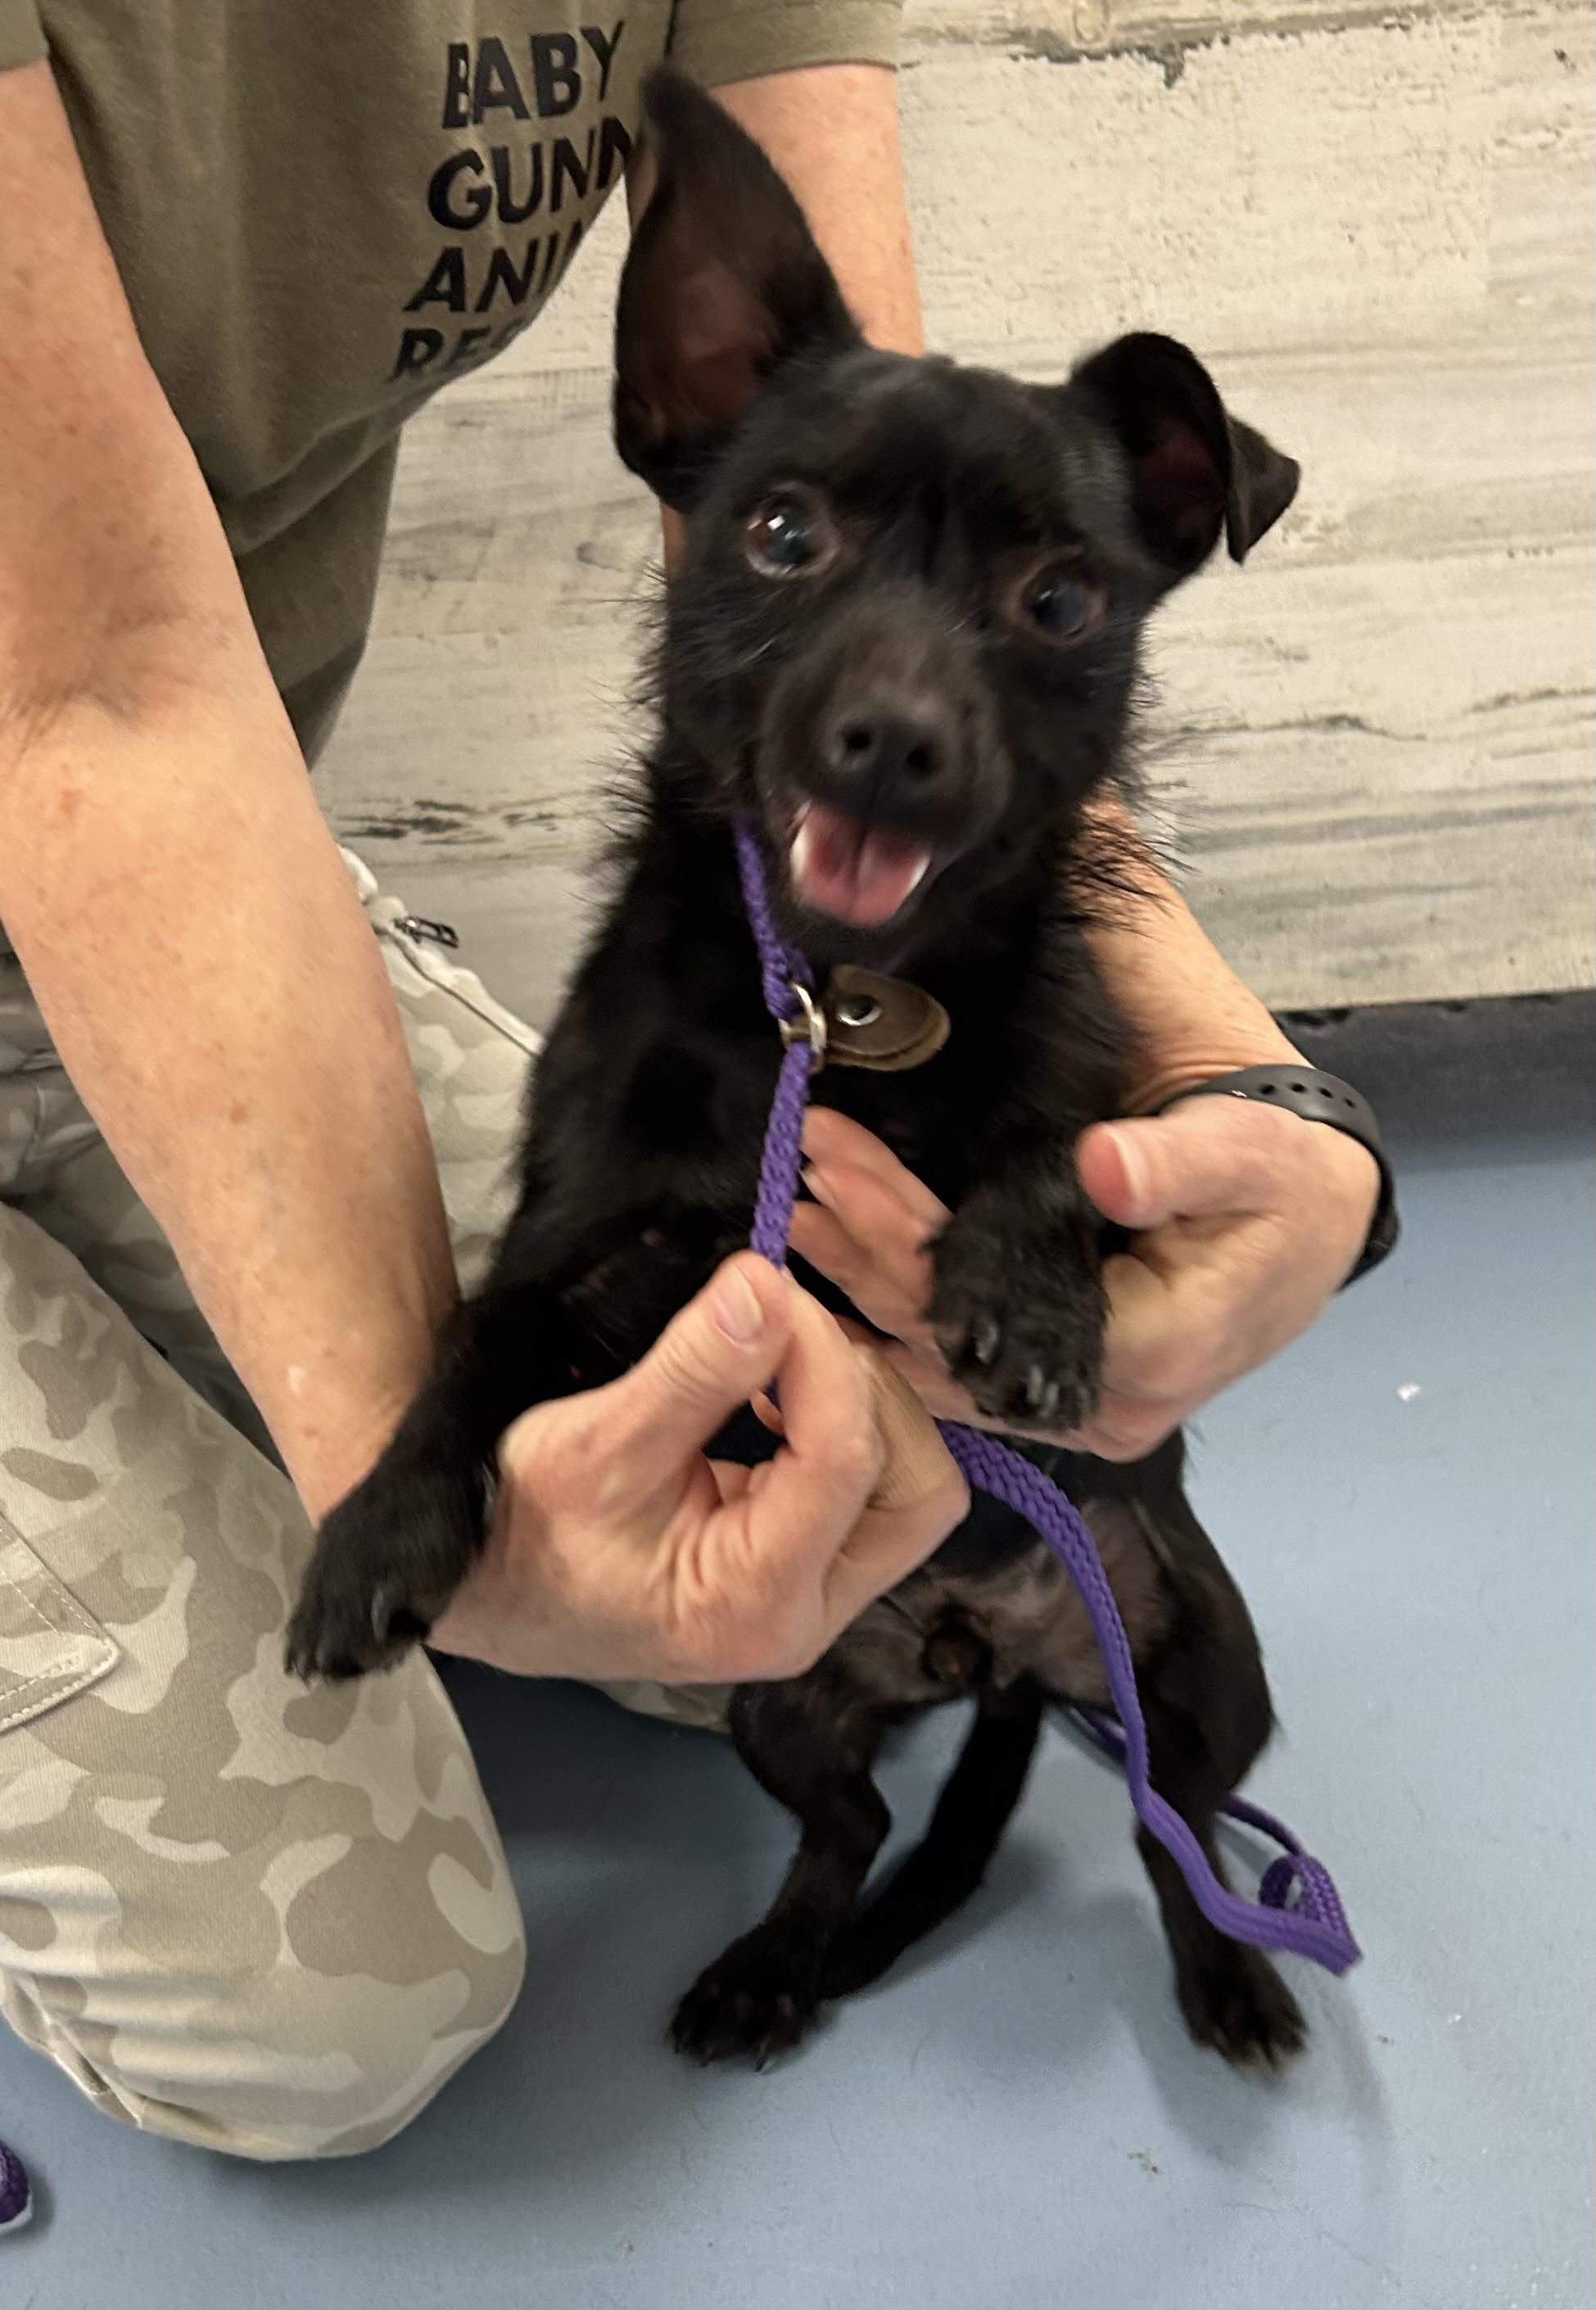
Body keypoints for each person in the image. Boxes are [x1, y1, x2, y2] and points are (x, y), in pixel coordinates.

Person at [0, 5, 1379, 2161]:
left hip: (192, 857)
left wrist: (1285, 1117)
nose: (905, 693)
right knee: (332, 2023)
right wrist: (419, 1492)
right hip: (82, 758)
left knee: (791, 1572)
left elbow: (899, 437)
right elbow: (86, 691)